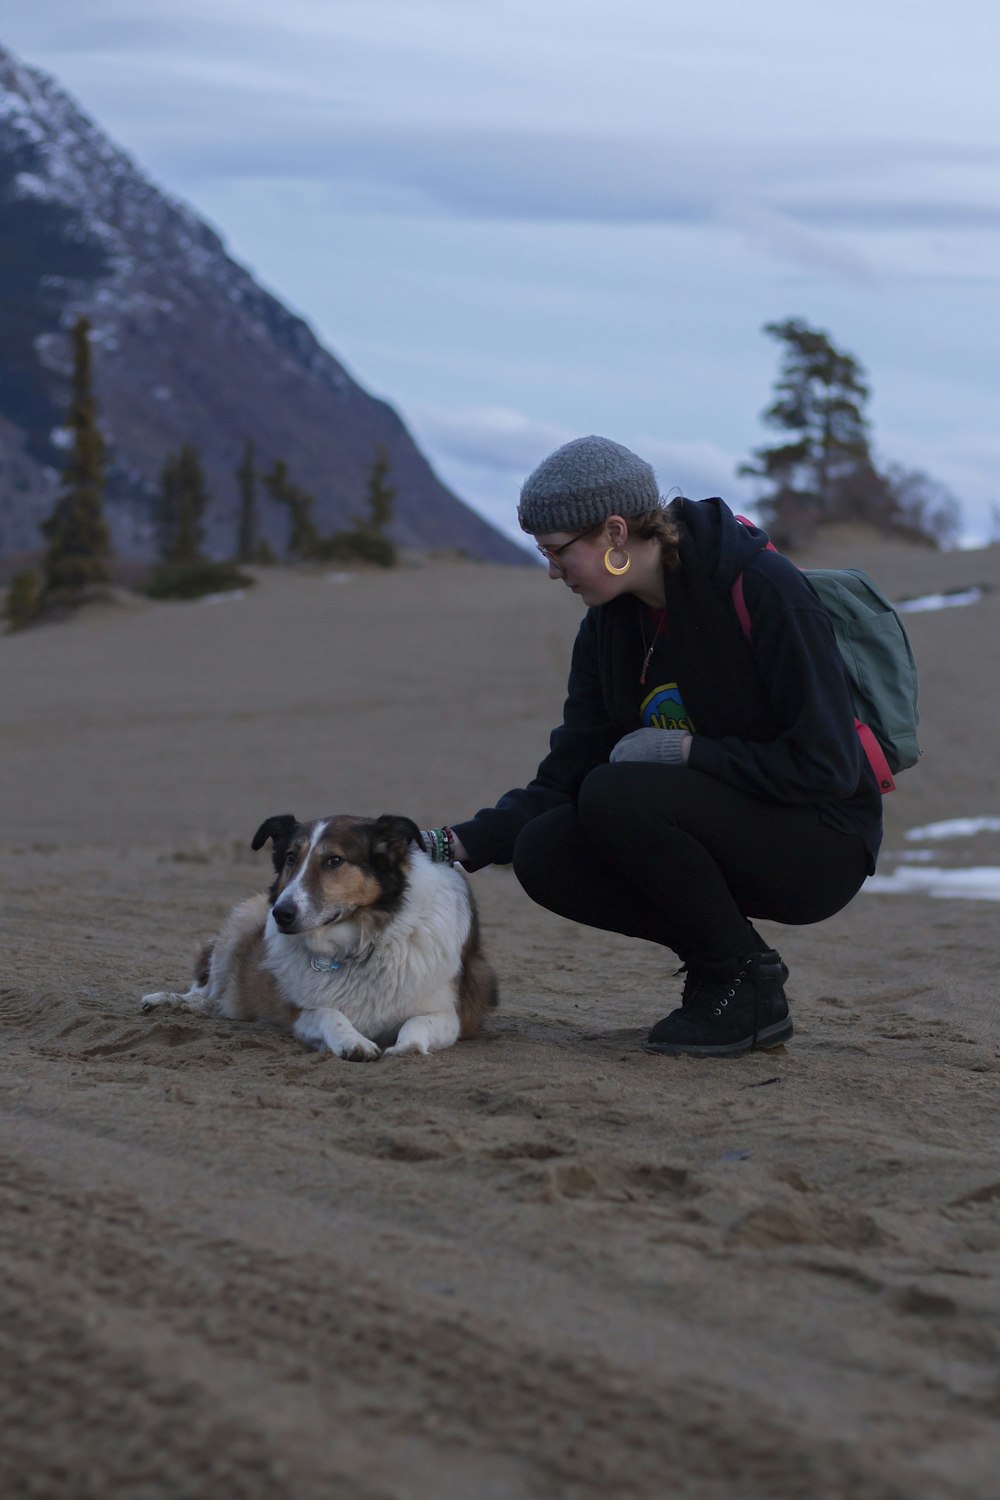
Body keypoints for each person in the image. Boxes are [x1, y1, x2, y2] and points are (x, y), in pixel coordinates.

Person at [420, 436, 882, 1057]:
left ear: (614, 532)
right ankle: (734, 974)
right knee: (546, 849)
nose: (553, 571)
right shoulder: (608, 626)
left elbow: (826, 766)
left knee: (617, 791)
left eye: (558, 552)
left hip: (820, 840)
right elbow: (566, 776)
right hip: (712, 825)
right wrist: (454, 846)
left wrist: (690, 754)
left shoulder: (764, 591)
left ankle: (741, 983)